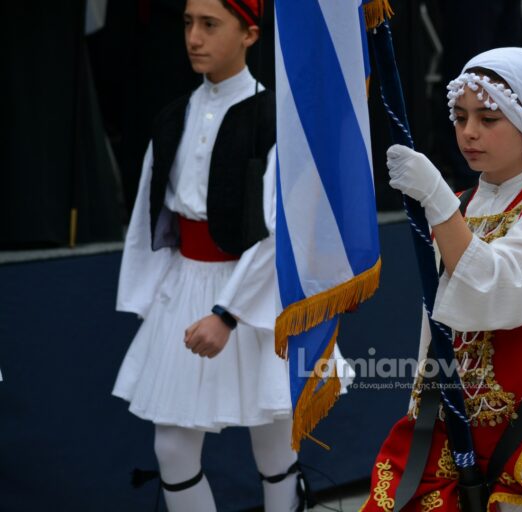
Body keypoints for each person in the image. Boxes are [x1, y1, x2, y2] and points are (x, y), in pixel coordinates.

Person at [360, 48, 522, 512]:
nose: (469, 132)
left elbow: (497, 291)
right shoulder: (460, 204)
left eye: (488, 118)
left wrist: (437, 201)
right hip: (449, 416)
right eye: (460, 117)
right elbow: (434, 323)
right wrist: (419, 402)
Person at [111, 1, 305, 510]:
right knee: (173, 449)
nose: (194, 37)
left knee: (275, 441)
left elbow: (277, 231)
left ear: (249, 34)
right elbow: (150, 215)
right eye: (188, 23)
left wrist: (228, 313)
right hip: (185, 286)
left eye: (210, 24)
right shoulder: (172, 117)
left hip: (255, 293)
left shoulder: (272, 118)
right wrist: (149, 295)